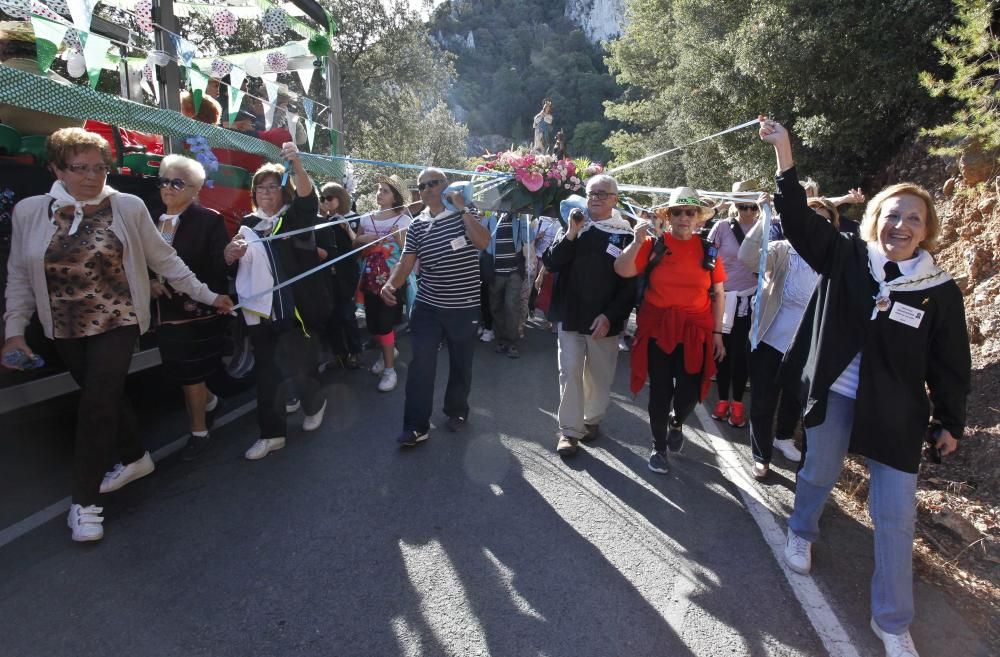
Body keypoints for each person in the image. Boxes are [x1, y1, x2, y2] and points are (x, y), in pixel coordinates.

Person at [759, 118, 971, 657]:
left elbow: (951, 362)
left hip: (898, 413)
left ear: (927, 231)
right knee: (819, 472)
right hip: (836, 393)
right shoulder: (848, 256)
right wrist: (785, 151)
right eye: (892, 214)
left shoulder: (938, 291)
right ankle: (803, 530)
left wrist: (949, 420)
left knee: (897, 515)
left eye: (913, 219)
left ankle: (892, 621)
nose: (901, 225)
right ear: (875, 219)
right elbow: (798, 221)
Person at [2, 128, 232, 542]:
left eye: (100, 168)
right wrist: (14, 331)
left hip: (119, 320)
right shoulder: (30, 212)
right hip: (64, 327)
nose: (93, 177)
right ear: (55, 167)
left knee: (96, 404)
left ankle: (84, 503)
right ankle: (136, 456)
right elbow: (19, 274)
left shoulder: (126, 206)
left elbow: (165, 259)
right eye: (80, 168)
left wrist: (208, 294)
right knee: (102, 395)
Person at [225, 142, 330, 460]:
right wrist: (229, 255)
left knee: (300, 368)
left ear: (283, 192)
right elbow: (231, 265)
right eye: (261, 188)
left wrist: (296, 164)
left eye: (273, 187)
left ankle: (315, 403)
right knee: (267, 374)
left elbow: (307, 199)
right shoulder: (248, 225)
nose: (266, 192)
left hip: (293, 311)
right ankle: (272, 435)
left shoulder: (294, 219)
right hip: (259, 314)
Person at [614, 188, 727, 473]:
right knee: (661, 390)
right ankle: (658, 446)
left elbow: (719, 293)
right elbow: (622, 270)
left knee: (688, 392)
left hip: (695, 330)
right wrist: (636, 243)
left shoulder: (708, 250)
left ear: (699, 218)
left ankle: (677, 422)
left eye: (690, 212)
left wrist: (718, 334)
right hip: (658, 328)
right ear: (668, 216)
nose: (684, 217)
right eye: (677, 212)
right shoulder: (653, 245)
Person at [380, 168, 490, 447]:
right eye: (422, 185)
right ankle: (416, 426)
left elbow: (483, 242)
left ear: (446, 185)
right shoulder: (417, 224)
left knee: (460, 362)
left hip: (463, 306)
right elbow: (406, 262)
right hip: (428, 306)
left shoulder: (467, 214)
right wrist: (391, 285)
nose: (428, 188)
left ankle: (457, 410)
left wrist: (463, 209)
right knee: (421, 365)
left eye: (434, 183)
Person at [737, 198, 842, 478]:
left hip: (808, 349)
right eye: (811, 218)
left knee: (796, 401)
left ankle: (783, 437)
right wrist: (764, 218)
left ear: (833, 226)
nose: (816, 226)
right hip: (769, 343)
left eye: (824, 220)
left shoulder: (837, 260)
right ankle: (761, 456)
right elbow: (747, 257)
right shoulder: (783, 250)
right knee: (762, 403)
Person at [543, 175, 636, 457]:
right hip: (570, 316)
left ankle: (591, 419)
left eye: (602, 193)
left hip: (603, 321)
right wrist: (571, 232)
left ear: (614, 199)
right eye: (591, 193)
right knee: (569, 372)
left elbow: (630, 284)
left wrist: (610, 315)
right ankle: (569, 431)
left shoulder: (625, 235)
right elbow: (551, 262)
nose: (595, 198)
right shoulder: (573, 228)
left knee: (599, 376)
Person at [151, 154, 231, 461]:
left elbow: (215, 268)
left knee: (190, 373)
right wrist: (149, 281)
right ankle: (211, 402)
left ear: (195, 188)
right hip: (160, 310)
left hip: (195, 309)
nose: (168, 188)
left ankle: (199, 432)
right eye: (164, 181)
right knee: (178, 370)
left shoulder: (209, 220)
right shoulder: (150, 217)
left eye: (177, 182)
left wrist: (229, 257)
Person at [354, 175, 412, 392]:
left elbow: (409, 252)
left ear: (395, 196)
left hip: (392, 280)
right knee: (374, 325)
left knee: (386, 324)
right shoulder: (366, 219)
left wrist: (398, 240)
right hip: (369, 279)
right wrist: (360, 241)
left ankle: (390, 370)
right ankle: (387, 352)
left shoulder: (404, 220)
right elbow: (355, 246)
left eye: (385, 190)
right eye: (379, 189)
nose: (379, 193)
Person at [708, 191, 760, 428]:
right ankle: (721, 400)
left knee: (742, 354)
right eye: (742, 206)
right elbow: (708, 256)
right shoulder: (721, 227)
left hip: (750, 301)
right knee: (722, 351)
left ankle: (737, 403)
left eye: (752, 206)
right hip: (722, 297)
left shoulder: (767, 227)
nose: (748, 212)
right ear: (735, 205)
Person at [316, 181, 362, 371]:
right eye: (322, 198)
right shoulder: (321, 221)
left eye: (329, 198)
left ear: (340, 198)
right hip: (327, 277)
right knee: (331, 317)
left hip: (345, 275)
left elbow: (357, 247)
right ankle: (339, 354)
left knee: (347, 315)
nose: (325, 202)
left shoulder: (352, 218)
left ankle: (355, 352)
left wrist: (347, 228)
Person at [481, 211, 530, 358]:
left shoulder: (518, 220)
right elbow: (480, 242)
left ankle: (512, 342)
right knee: (495, 307)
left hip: (514, 272)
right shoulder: (489, 220)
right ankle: (502, 340)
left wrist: (523, 219)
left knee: (511, 306)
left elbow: (529, 237)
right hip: (495, 273)